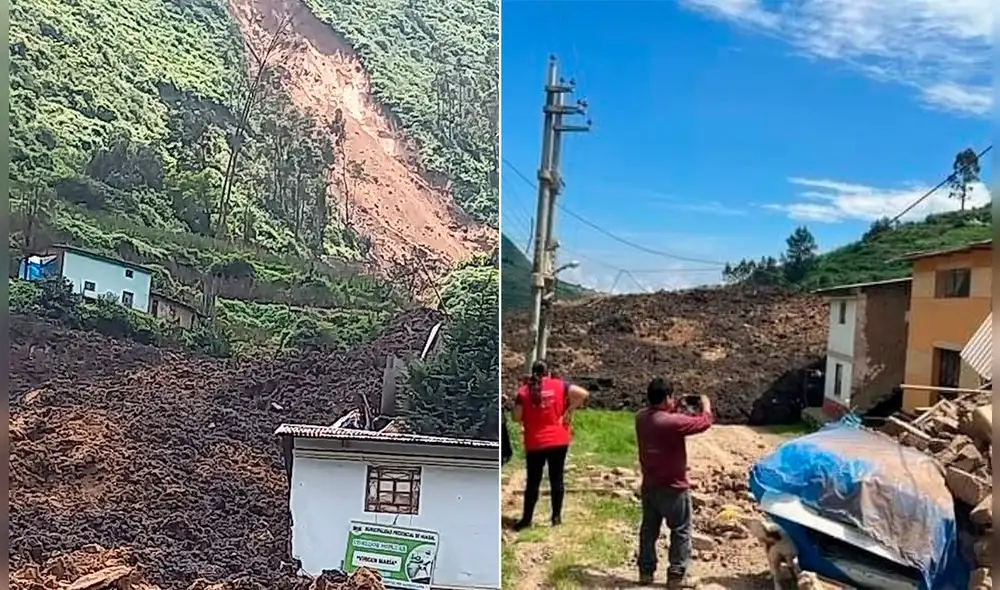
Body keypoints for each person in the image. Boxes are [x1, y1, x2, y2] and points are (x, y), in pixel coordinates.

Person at [634, 377, 713, 589]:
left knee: (649, 529)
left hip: (650, 485)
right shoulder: (671, 423)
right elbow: (703, 423)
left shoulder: (641, 417)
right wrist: (705, 404)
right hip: (674, 487)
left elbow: (663, 417)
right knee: (680, 530)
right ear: (667, 397)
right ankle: (677, 574)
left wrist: (674, 406)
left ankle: (646, 572)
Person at [510, 360, 589, 530]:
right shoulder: (560, 385)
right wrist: (570, 409)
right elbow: (583, 393)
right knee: (557, 478)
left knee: (533, 482)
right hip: (559, 439)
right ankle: (556, 518)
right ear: (549, 372)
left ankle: (526, 519)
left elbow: (516, 417)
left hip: (535, 442)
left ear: (532, 373)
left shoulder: (523, 392)